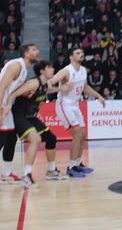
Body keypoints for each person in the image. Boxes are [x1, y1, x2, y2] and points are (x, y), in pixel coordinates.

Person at [0, 43, 39, 191]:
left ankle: (6, 174)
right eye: (33, 50)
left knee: (11, 137)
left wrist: (25, 92)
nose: (37, 52)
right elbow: (1, 88)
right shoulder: (16, 66)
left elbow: (12, 91)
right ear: (26, 53)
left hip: (4, 103)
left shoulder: (24, 70)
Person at [3, 61, 67, 187]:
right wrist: (9, 105)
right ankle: (27, 175)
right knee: (35, 139)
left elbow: (48, 90)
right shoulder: (33, 83)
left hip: (31, 116)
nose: (53, 69)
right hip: (19, 115)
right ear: (42, 71)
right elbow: (14, 93)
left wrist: (60, 88)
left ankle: (51, 170)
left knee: (51, 138)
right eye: (49, 67)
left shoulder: (45, 84)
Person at [48, 47, 106, 177]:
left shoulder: (84, 70)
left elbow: (85, 87)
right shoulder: (66, 71)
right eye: (78, 53)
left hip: (75, 105)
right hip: (64, 105)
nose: (81, 54)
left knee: (82, 135)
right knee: (78, 133)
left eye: (82, 52)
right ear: (71, 57)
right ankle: (71, 167)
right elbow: (49, 83)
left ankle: (78, 163)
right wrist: (60, 88)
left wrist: (98, 96)